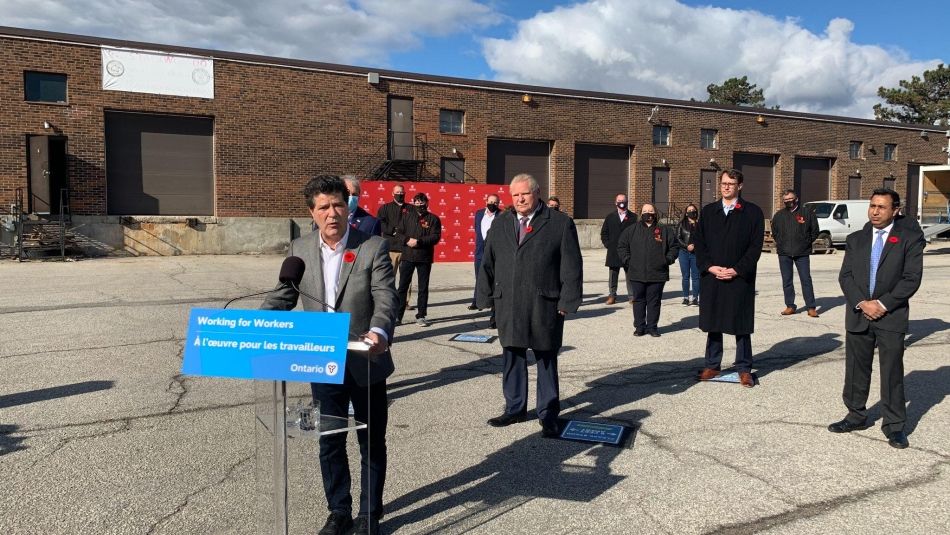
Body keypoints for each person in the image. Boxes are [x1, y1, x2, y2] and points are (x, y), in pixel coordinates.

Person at [262, 175, 397, 535]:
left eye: (338, 204)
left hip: (366, 359)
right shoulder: (299, 249)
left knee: (371, 439)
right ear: (312, 212)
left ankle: (369, 514)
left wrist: (380, 331)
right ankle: (339, 511)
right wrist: (255, 322)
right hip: (321, 361)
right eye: (324, 207)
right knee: (330, 440)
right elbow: (284, 296)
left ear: (348, 206)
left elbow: (386, 297)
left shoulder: (372, 247)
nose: (332, 213)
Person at [476, 173, 582, 438]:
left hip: (544, 302)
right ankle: (515, 408)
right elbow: (488, 262)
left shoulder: (559, 223)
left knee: (546, 357)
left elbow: (571, 265)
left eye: (524, 193)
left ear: (537, 193)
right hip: (509, 302)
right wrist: (485, 297)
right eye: (515, 195)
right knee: (512, 354)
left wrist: (568, 300)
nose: (520, 199)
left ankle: (548, 414)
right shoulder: (501, 223)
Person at [830, 188, 924, 449]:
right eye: (872, 206)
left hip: (890, 316)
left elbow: (911, 279)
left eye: (882, 207)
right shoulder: (856, 239)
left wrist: (882, 304)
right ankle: (856, 415)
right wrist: (863, 303)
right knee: (856, 369)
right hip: (860, 313)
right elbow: (845, 276)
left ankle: (894, 426)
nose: (875, 211)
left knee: (892, 371)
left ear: (895, 210)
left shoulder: (908, 239)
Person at [693, 169, 764, 388]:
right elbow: (700, 244)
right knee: (714, 321)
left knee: (740, 324)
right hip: (713, 276)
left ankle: (744, 368)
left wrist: (736, 270)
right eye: (723, 183)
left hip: (739, 278)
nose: (726, 187)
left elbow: (755, 248)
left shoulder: (752, 213)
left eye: (731, 184)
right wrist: (710, 267)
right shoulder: (708, 212)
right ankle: (713, 364)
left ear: (739, 186)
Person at [617, 203, 678, 337]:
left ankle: (652, 327)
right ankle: (639, 327)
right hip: (636, 272)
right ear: (641, 213)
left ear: (655, 213)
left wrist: (667, 259)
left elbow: (674, 247)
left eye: (650, 211)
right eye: (645, 211)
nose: (648, 213)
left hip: (657, 273)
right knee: (638, 301)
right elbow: (621, 247)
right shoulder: (631, 230)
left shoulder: (665, 230)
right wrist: (628, 260)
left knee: (654, 301)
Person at [395, 192, 442, 327]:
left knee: (423, 288)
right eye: (416, 203)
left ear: (426, 203)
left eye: (422, 203)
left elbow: (436, 237)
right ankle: (398, 316)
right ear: (413, 203)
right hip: (408, 256)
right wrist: (407, 240)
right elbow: (398, 233)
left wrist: (419, 242)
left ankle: (421, 316)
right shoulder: (407, 216)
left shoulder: (433, 219)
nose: (419, 205)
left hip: (424, 258)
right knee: (402, 287)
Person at [771, 189, 819, 317]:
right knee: (787, 280)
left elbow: (815, 231)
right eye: (785, 200)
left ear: (796, 198)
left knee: (806, 279)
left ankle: (811, 307)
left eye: (790, 199)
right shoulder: (779, 215)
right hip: (784, 253)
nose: (788, 201)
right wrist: (780, 242)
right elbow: (774, 232)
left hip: (802, 253)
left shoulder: (807, 213)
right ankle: (790, 306)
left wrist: (806, 242)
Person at [600, 193, 637, 305]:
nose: (622, 202)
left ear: (627, 202)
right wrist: (608, 244)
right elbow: (604, 233)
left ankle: (632, 296)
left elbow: (637, 234)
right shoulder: (610, 217)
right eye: (619, 200)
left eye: (624, 200)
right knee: (613, 275)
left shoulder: (634, 217)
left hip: (628, 251)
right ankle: (612, 295)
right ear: (615, 202)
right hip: (613, 251)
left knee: (630, 274)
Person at [377, 184, 411, 305]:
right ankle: (389, 300)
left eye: (402, 192)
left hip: (407, 249)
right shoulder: (385, 208)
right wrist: (394, 230)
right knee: (389, 277)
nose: (400, 194)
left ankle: (405, 302)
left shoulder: (411, 209)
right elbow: (381, 223)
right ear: (392, 194)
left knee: (406, 278)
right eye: (397, 192)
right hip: (391, 248)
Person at [470, 194, 500, 329]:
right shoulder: (479, 214)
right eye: (491, 202)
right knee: (479, 277)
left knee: (493, 280)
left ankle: (491, 305)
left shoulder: (501, 216)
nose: (492, 204)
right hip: (479, 252)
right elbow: (477, 230)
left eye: (495, 202)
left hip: (493, 253)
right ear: (486, 201)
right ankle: (477, 301)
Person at [676, 203, 700, 306]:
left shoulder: (700, 224)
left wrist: (695, 245)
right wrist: (686, 246)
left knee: (696, 277)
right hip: (684, 253)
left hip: (696, 253)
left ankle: (695, 297)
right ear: (686, 213)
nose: (692, 212)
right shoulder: (682, 224)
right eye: (689, 210)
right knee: (685, 276)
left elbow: (704, 238)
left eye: (693, 210)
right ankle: (686, 297)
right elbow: (678, 238)